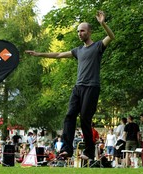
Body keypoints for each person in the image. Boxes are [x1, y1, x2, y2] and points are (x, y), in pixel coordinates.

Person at [26, 10, 115, 160]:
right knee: (69, 116)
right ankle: (67, 149)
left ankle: (89, 152)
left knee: (85, 119)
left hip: (91, 87)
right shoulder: (78, 50)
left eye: (82, 31)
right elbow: (59, 55)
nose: (80, 33)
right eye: (78, 31)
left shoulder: (98, 46)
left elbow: (111, 37)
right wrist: (39, 54)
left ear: (89, 32)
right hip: (78, 87)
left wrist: (103, 23)